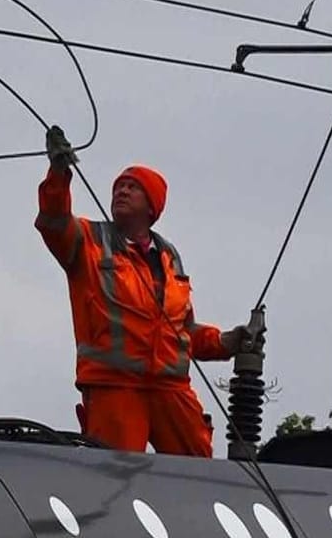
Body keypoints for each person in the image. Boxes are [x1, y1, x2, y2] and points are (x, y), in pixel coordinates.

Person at [35, 126, 259, 456]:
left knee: (198, 470)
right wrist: (59, 172)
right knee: (115, 476)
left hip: (170, 389)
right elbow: (53, 221)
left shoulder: (170, 260)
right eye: (119, 187)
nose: (121, 192)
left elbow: (183, 332)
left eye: (133, 188)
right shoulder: (88, 241)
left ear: (152, 207)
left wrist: (227, 342)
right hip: (115, 386)